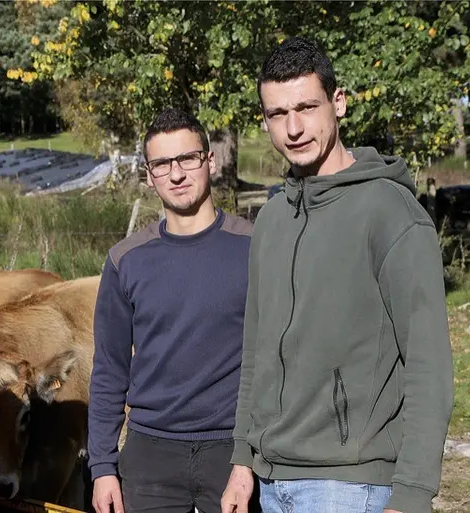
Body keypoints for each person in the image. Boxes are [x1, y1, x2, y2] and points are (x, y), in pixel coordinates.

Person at [221, 36, 454, 513]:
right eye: (277, 114)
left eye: (306, 107)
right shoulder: (270, 220)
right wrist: (242, 459)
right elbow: (256, 352)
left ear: (339, 102)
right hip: (269, 482)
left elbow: (429, 366)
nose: (293, 128)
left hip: (350, 488)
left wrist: (411, 495)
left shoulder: (391, 213)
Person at [87, 107, 255, 513]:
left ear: (210, 161)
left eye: (187, 159)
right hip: (150, 454)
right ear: (148, 175)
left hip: (232, 451)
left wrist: (249, 457)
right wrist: (103, 466)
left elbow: (273, 363)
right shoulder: (126, 260)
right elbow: (109, 370)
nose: (176, 174)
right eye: (162, 164)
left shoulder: (255, 248)